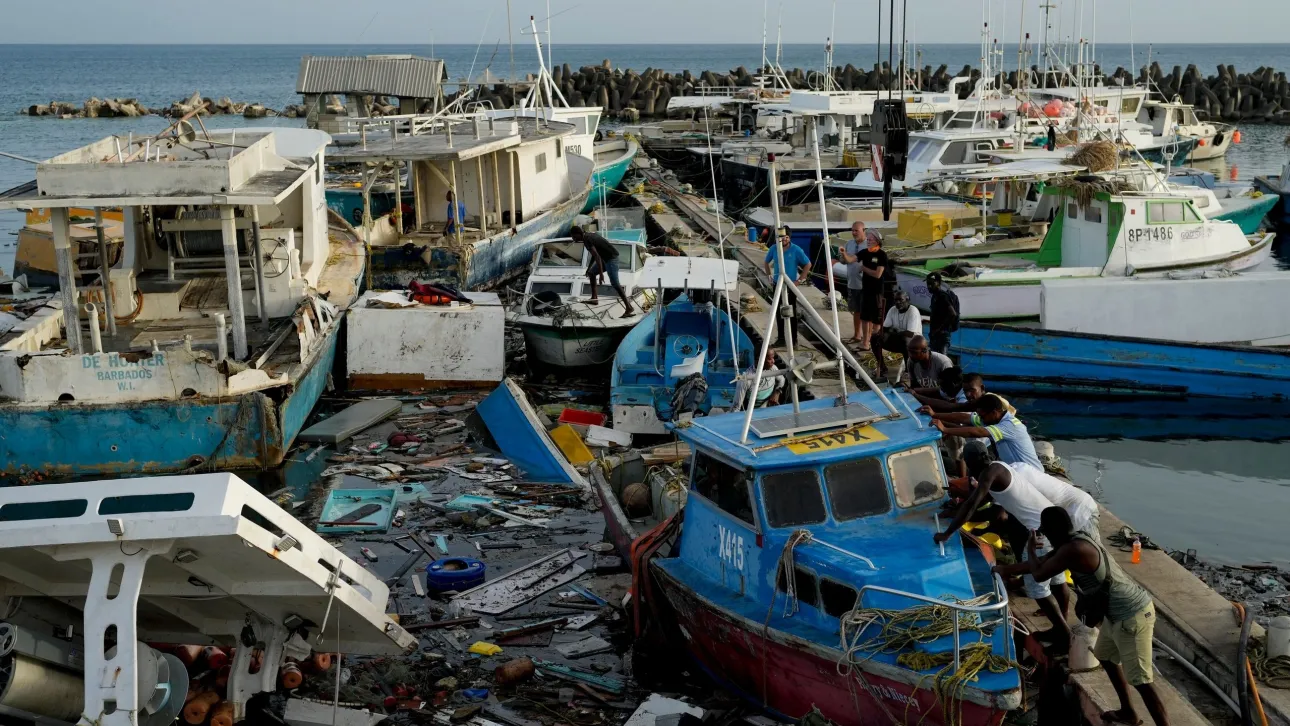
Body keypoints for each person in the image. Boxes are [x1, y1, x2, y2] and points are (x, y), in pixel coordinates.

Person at [1023, 507, 1169, 726]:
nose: (1046, 536)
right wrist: (1004, 570)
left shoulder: (1074, 548)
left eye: (1046, 531)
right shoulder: (1074, 540)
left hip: (1132, 614)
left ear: (1054, 530)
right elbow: (1041, 566)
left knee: (1141, 680)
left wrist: (1030, 549)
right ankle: (1128, 711)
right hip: (1116, 615)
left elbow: (1039, 573)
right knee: (1106, 657)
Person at [935, 447, 1071, 648]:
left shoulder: (989, 474)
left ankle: (1063, 633)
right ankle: (1063, 624)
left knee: (1037, 587)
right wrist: (954, 512)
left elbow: (973, 504)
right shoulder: (1000, 468)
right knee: (1058, 581)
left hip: (1039, 531)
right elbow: (985, 504)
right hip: (1053, 527)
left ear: (972, 462)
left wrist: (947, 533)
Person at [929, 393, 1042, 471]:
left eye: (982, 416)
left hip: (1031, 473)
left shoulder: (1010, 425)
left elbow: (976, 432)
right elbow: (963, 417)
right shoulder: (991, 418)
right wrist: (934, 414)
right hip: (1014, 469)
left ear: (994, 412)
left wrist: (945, 429)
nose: (980, 419)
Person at [570, 226, 636, 317]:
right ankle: (594, 299)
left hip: (611, 259)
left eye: (573, 236)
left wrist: (601, 274)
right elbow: (595, 255)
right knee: (591, 273)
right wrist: (588, 268)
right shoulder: (588, 236)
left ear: (578, 234)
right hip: (605, 258)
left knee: (615, 284)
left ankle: (629, 308)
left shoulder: (587, 240)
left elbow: (597, 256)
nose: (573, 238)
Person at [763, 227, 811, 347]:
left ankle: (794, 339)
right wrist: (769, 275)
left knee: (792, 312)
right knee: (778, 312)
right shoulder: (774, 248)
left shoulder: (796, 250)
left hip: (790, 285)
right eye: (780, 237)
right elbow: (766, 262)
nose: (783, 239)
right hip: (777, 283)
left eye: (785, 237)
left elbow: (808, 264)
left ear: (789, 237)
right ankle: (781, 338)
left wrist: (799, 280)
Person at [874, 290, 922, 379]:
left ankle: (908, 370)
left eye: (901, 300)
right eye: (896, 300)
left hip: (914, 342)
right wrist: (880, 334)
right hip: (898, 339)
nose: (898, 302)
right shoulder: (893, 310)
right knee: (874, 338)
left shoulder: (913, 311)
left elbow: (910, 333)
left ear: (907, 300)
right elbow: (885, 328)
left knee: (905, 339)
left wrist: (892, 332)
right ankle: (882, 367)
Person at [857, 230, 889, 351]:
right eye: (867, 239)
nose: (868, 241)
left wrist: (863, 268)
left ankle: (876, 342)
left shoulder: (882, 255)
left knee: (876, 319)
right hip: (866, 289)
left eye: (870, 239)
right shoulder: (865, 253)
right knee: (865, 317)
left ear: (877, 241)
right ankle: (865, 342)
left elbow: (877, 274)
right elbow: (853, 258)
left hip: (876, 291)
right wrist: (844, 256)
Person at [841, 221, 868, 344]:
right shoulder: (849, 244)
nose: (853, 233)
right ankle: (857, 335)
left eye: (856, 230)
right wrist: (842, 256)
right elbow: (843, 261)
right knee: (855, 311)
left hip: (866, 285)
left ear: (864, 230)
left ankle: (867, 339)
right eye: (852, 230)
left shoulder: (869, 245)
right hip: (852, 283)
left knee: (866, 313)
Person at [926, 272, 960, 356]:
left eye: (932, 283)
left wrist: (940, 328)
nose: (929, 286)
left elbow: (953, 314)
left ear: (939, 283)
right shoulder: (935, 296)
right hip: (935, 335)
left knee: (942, 358)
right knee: (934, 358)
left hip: (942, 335)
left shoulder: (943, 296)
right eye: (928, 284)